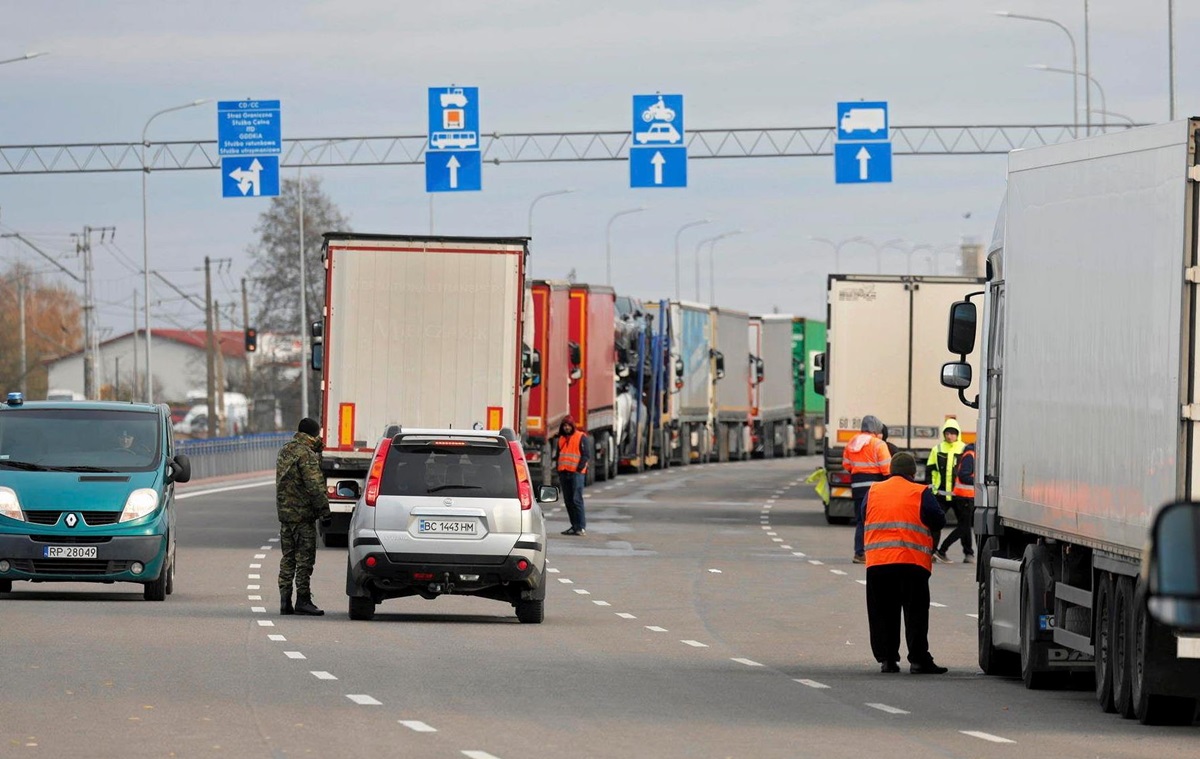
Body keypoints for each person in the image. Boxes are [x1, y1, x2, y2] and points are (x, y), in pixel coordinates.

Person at [863, 451, 948, 674]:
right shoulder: (920, 492)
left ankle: (888, 660)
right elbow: (939, 519)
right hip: (912, 564)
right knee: (916, 613)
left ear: (891, 470)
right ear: (912, 472)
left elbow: (864, 515)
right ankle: (919, 660)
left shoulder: (873, 491)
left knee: (883, 612)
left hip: (878, 564)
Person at [276, 417, 331, 616]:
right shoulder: (306, 454)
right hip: (303, 516)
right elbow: (314, 486)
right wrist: (324, 512)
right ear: (313, 434)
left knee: (288, 558)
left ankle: (284, 600)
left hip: (286, 516)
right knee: (305, 560)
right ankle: (303, 600)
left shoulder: (285, 450)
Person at [843, 415, 892, 564]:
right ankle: (875, 552)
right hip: (874, 487)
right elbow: (887, 468)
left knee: (861, 520)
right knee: (875, 520)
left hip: (857, 486)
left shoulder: (852, 442)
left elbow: (846, 465)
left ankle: (859, 553)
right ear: (876, 428)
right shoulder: (878, 444)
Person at [926, 418, 967, 563]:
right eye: (947, 433)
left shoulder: (964, 449)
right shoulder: (937, 449)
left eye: (953, 433)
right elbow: (930, 470)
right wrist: (931, 489)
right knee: (935, 525)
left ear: (958, 434)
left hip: (959, 495)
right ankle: (932, 552)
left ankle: (967, 553)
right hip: (941, 494)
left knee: (965, 525)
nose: (950, 436)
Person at [937, 442, 976, 562]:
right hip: (964, 497)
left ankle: (968, 553)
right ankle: (942, 550)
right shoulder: (970, 456)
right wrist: (978, 480)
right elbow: (963, 475)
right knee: (963, 527)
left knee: (965, 526)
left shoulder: (971, 454)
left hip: (966, 497)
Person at [556, 415, 592, 536]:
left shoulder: (581, 437)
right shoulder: (560, 439)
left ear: (572, 426)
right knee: (568, 501)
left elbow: (586, 455)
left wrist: (579, 469)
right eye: (565, 426)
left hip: (576, 473)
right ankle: (574, 526)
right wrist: (558, 470)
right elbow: (558, 456)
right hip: (564, 472)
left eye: (568, 426)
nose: (566, 428)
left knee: (577, 500)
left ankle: (581, 527)